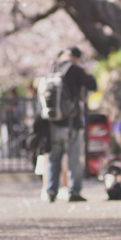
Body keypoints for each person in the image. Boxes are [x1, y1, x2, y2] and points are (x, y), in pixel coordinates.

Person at [43, 47, 96, 203]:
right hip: (72, 122)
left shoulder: (52, 67)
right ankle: (74, 191)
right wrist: (86, 72)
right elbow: (92, 85)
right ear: (77, 58)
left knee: (54, 158)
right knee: (74, 158)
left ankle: (51, 191)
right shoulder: (75, 69)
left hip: (53, 122)